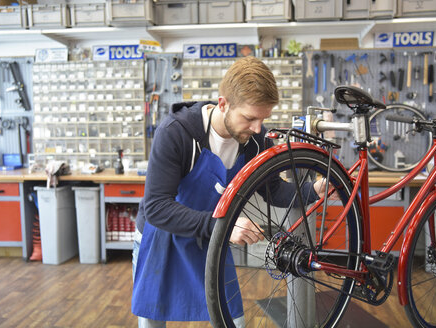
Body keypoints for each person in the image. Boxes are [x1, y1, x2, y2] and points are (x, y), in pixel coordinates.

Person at [131, 56, 323, 327]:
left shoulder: (255, 140)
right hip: (161, 238)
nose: (258, 128)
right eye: (249, 118)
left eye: (263, 119)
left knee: (233, 320)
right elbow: (157, 208)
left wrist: (314, 190)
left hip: (211, 238)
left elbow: (275, 191)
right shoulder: (177, 133)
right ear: (223, 103)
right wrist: (224, 225)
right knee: (153, 322)